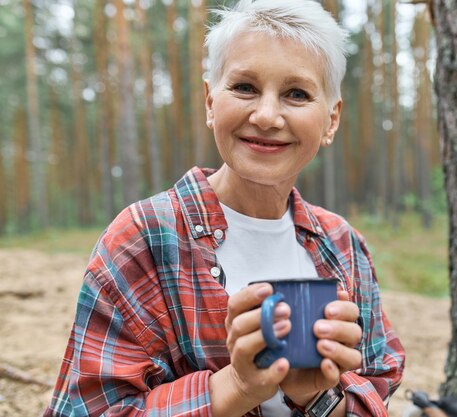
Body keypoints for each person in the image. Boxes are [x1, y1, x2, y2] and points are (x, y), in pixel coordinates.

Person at [45, 0, 405, 415]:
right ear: (210, 102)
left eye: (297, 93)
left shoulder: (343, 245)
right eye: (245, 87)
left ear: (331, 120)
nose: (267, 116)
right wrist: (236, 386)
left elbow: (379, 382)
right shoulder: (145, 238)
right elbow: (86, 408)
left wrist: (317, 398)